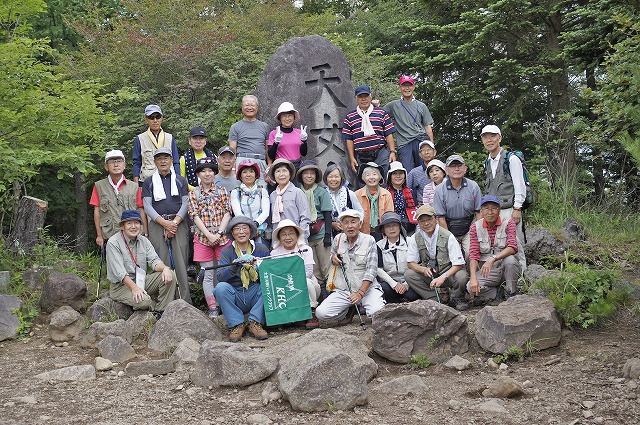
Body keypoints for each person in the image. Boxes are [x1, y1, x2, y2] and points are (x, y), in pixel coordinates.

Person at [316, 209, 385, 323]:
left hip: (366, 289)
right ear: (341, 226)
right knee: (321, 313)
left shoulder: (369, 240)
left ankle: (368, 303)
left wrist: (360, 293)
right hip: (344, 290)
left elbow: (371, 270)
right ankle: (347, 311)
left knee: (376, 314)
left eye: (353, 222)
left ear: (360, 224)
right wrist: (333, 258)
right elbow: (332, 255)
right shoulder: (338, 239)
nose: (350, 226)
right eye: (346, 222)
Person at [142, 147, 191, 304]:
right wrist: (164, 223)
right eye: (159, 158)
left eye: (166, 158)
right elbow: (147, 205)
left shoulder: (181, 180)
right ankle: (167, 303)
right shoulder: (149, 181)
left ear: (171, 160)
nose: (163, 161)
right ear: (155, 162)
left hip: (179, 223)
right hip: (157, 224)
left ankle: (185, 301)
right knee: (162, 263)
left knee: (181, 262)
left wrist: (174, 223)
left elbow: (186, 203)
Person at [106, 210, 177, 313]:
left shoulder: (144, 240)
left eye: (136, 223)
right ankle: (153, 307)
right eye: (129, 223)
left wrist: (165, 268)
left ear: (140, 225)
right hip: (121, 286)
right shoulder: (113, 243)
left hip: (141, 281)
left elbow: (154, 261)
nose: (133, 226)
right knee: (144, 301)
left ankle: (162, 312)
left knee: (170, 275)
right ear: (123, 226)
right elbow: (120, 273)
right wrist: (134, 288)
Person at [188, 157, 232, 318]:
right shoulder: (194, 193)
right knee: (207, 274)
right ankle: (212, 306)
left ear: (214, 172)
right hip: (202, 238)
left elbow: (228, 212)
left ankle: (223, 303)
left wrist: (219, 233)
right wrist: (208, 235)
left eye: (210, 170)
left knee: (222, 272)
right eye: (203, 171)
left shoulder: (222, 191)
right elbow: (194, 215)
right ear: (198, 174)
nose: (207, 174)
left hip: (222, 236)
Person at [214, 216, 269, 342]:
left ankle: (255, 322)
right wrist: (233, 266)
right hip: (236, 292)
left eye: (245, 228)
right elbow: (220, 277)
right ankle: (237, 324)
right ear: (232, 233)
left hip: (255, 290)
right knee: (220, 288)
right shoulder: (226, 252)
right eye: (237, 229)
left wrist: (258, 268)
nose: (241, 232)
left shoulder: (261, 249)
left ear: (251, 231)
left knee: (267, 286)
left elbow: (270, 273)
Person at [464, 195, 522, 310]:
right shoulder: (475, 227)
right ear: (481, 211)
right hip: (489, 272)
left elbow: (512, 247)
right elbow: (474, 254)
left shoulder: (508, 223)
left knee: (510, 260)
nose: (490, 212)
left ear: (499, 210)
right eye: (486, 208)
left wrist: (493, 258)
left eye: (494, 208)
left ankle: (511, 293)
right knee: (470, 287)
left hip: (506, 267)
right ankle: (497, 293)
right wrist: (473, 277)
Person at [481, 124, 527, 269]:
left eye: (492, 136)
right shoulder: (487, 162)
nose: (489, 140)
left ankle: (523, 277)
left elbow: (519, 185)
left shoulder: (511, 159)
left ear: (500, 138)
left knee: (516, 244)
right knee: (498, 244)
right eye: (485, 137)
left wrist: (517, 208)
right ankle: (506, 277)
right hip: (493, 212)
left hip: (510, 208)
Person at [404, 205, 468, 306]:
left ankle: (457, 298)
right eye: (422, 221)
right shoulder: (415, 238)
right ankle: (434, 299)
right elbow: (410, 263)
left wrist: (443, 276)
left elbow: (459, 264)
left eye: (429, 219)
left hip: (448, 274)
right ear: (418, 223)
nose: (426, 223)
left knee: (461, 276)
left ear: (436, 219)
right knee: (409, 274)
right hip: (430, 273)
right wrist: (423, 270)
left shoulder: (448, 236)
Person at [90, 150, 147, 249]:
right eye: (112, 162)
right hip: (109, 236)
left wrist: (145, 233)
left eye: (119, 161)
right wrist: (99, 235)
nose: (116, 164)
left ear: (124, 165)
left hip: (133, 235)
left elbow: (141, 210)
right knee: (113, 263)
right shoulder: (99, 186)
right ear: (106, 167)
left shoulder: (134, 186)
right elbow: (97, 212)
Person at [271, 219, 321, 329]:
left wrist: (291, 281)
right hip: (285, 288)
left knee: (306, 281)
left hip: (308, 288)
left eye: (291, 233)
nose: (287, 237)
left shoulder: (306, 249)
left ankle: (311, 312)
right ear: (279, 237)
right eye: (283, 234)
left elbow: (308, 273)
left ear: (297, 235)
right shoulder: (274, 253)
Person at [342, 85, 397, 184]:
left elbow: (388, 133)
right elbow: (349, 139)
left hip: (380, 152)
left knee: (383, 180)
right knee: (364, 183)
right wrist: (352, 158)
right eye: (360, 96)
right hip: (361, 155)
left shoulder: (381, 113)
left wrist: (392, 151)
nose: (364, 99)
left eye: (366, 96)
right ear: (356, 99)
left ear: (370, 97)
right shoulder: (350, 117)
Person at [296, 160, 332, 301]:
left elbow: (328, 214)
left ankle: (331, 294)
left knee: (326, 267)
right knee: (314, 268)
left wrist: (328, 234)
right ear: (301, 175)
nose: (309, 176)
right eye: (306, 173)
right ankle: (320, 296)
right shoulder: (298, 192)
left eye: (312, 173)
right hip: (305, 235)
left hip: (321, 231)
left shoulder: (321, 192)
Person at [383, 75, 435, 171]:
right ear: (400, 88)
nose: (407, 88)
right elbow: (380, 115)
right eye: (404, 86)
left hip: (421, 141)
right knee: (407, 171)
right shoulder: (393, 105)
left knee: (426, 169)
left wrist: (431, 146)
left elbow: (428, 127)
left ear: (413, 87)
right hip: (404, 143)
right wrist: (374, 105)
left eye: (409, 85)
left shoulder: (421, 106)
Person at [433, 155, 482, 257]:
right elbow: (440, 218)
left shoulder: (473, 186)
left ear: (465, 169)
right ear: (446, 170)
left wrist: (477, 233)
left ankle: (473, 273)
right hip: (448, 228)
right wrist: (449, 238)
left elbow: (479, 212)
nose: (456, 169)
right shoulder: (439, 190)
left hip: (469, 228)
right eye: (452, 166)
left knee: (471, 253)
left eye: (459, 165)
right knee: (452, 255)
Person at [375, 212, 419, 303]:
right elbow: (379, 269)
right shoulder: (379, 246)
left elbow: (417, 264)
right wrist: (394, 284)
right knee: (384, 289)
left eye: (394, 225)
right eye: (387, 226)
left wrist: (406, 285)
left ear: (400, 227)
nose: (391, 229)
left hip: (409, 281)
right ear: (383, 229)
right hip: (390, 282)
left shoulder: (410, 242)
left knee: (412, 295)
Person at [133, 104, 180, 186]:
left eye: (157, 117)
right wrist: (136, 184)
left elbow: (175, 161)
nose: (155, 120)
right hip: (147, 181)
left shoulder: (169, 137)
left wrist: (178, 180)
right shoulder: (140, 139)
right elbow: (136, 162)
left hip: (169, 179)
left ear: (161, 118)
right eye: (151, 117)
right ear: (146, 119)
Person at [228, 95, 270, 181]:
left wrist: (269, 164)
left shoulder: (265, 126)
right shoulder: (235, 127)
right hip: (242, 160)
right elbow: (232, 149)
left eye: (252, 105)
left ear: (257, 107)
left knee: (261, 189)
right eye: (247, 105)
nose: (250, 107)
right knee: (242, 189)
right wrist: (233, 167)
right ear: (242, 107)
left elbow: (267, 148)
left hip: (260, 161)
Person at [268, 158, 311, 240]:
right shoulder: (273, 195)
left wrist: (301, 237)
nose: (281, 174)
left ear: (290, 174)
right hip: (279, 240)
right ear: (274, 175)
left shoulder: (297, 192)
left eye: (284, 171)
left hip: (296, 238)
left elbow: (305, 217)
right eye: (278, 171)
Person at [230, 159, 270, 243]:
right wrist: (248, 227)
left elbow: (266, 212)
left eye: (251, 171)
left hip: (261, 229)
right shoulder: (236, 192)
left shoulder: (262, 191)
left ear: (256, 175)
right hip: (242, 231)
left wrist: (255, 225)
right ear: (240, 176)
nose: (248, 175)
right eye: (244, 172)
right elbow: (238, 213)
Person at [323, 162, 364, 237]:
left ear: (341, 178)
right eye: (330, 176)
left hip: (350, 232)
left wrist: (354, 225)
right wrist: (331, 224)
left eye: (336, 176)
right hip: (331, 234)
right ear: (326, 178)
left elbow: (360, 211)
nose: (333, 179)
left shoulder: (349, 193)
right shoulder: (323, 194)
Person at [354, 162, 394, 237]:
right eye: (368, 175)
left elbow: (390, 215)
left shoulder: (386, 194)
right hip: (362, 233)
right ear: (363, 178)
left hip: (382, 232)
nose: (371, 177)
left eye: (374, 174)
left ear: (379, 177)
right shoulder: (356, 195)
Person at [267, 102, 308, 172]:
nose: (287, 118)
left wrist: (304, 141)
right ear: (279, 118)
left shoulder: (299, 132)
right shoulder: (274, 133)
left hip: (297, 166)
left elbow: (303, 153)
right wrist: (276, 143)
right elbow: (271, 155)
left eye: (290, 116)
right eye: (284, 116)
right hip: (281, 167)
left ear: (294, 117)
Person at [385, 161, 418, 234]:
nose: (398, 176)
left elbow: (416, 209)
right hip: (392, 227)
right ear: (389, 176)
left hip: (411, 226)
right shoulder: (385, 193)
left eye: (401, 173)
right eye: (394, 173)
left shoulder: (411, 192)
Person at [180, 126, 216, 191]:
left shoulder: (213, 157)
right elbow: (181, 181)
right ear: (189, 140)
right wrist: (196, 190)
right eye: (195, 138)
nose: (198, 141)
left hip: (213, 193)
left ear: (205, 141)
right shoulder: (184, 159)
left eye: (201, 138)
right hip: (192, 193)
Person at [407, 140, 438, 205]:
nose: (426, 152)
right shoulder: (414, 172)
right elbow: (406, 190)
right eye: (423, 150)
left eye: (429, 149)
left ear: (434, 152)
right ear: (420, 155)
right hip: (424, 207)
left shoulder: (443, 169)